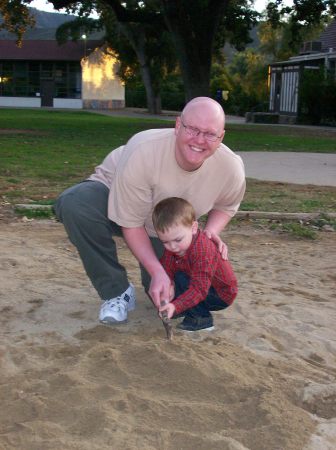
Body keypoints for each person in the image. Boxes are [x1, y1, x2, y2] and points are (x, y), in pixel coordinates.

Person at [54, 96, 245, 325]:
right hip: (117, 201)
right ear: (177, 125)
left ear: (221, 136)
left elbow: (226, 205)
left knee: (172, 296)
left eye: (210, 134)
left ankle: (154, 281)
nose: (200, 140)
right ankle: (116, 292)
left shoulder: (230, 167)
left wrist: (210, 232)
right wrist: (157, 271)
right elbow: (131, 223)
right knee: (76, 204)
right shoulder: (144, 150)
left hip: (165, 227)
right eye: (192, 129)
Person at [152, 197, 238, 332]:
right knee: (176, 278)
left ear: (193, 228)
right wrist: (169, 284)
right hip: (200, 282)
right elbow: (167, 265)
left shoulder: (203, 250)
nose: (172, 247)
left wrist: (176, 306)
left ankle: (201, 319)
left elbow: (199, 289)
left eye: (177, 240)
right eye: (165, 242)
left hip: (220, 294)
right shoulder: (176, 244)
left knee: (182, 279)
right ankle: (183, 309)